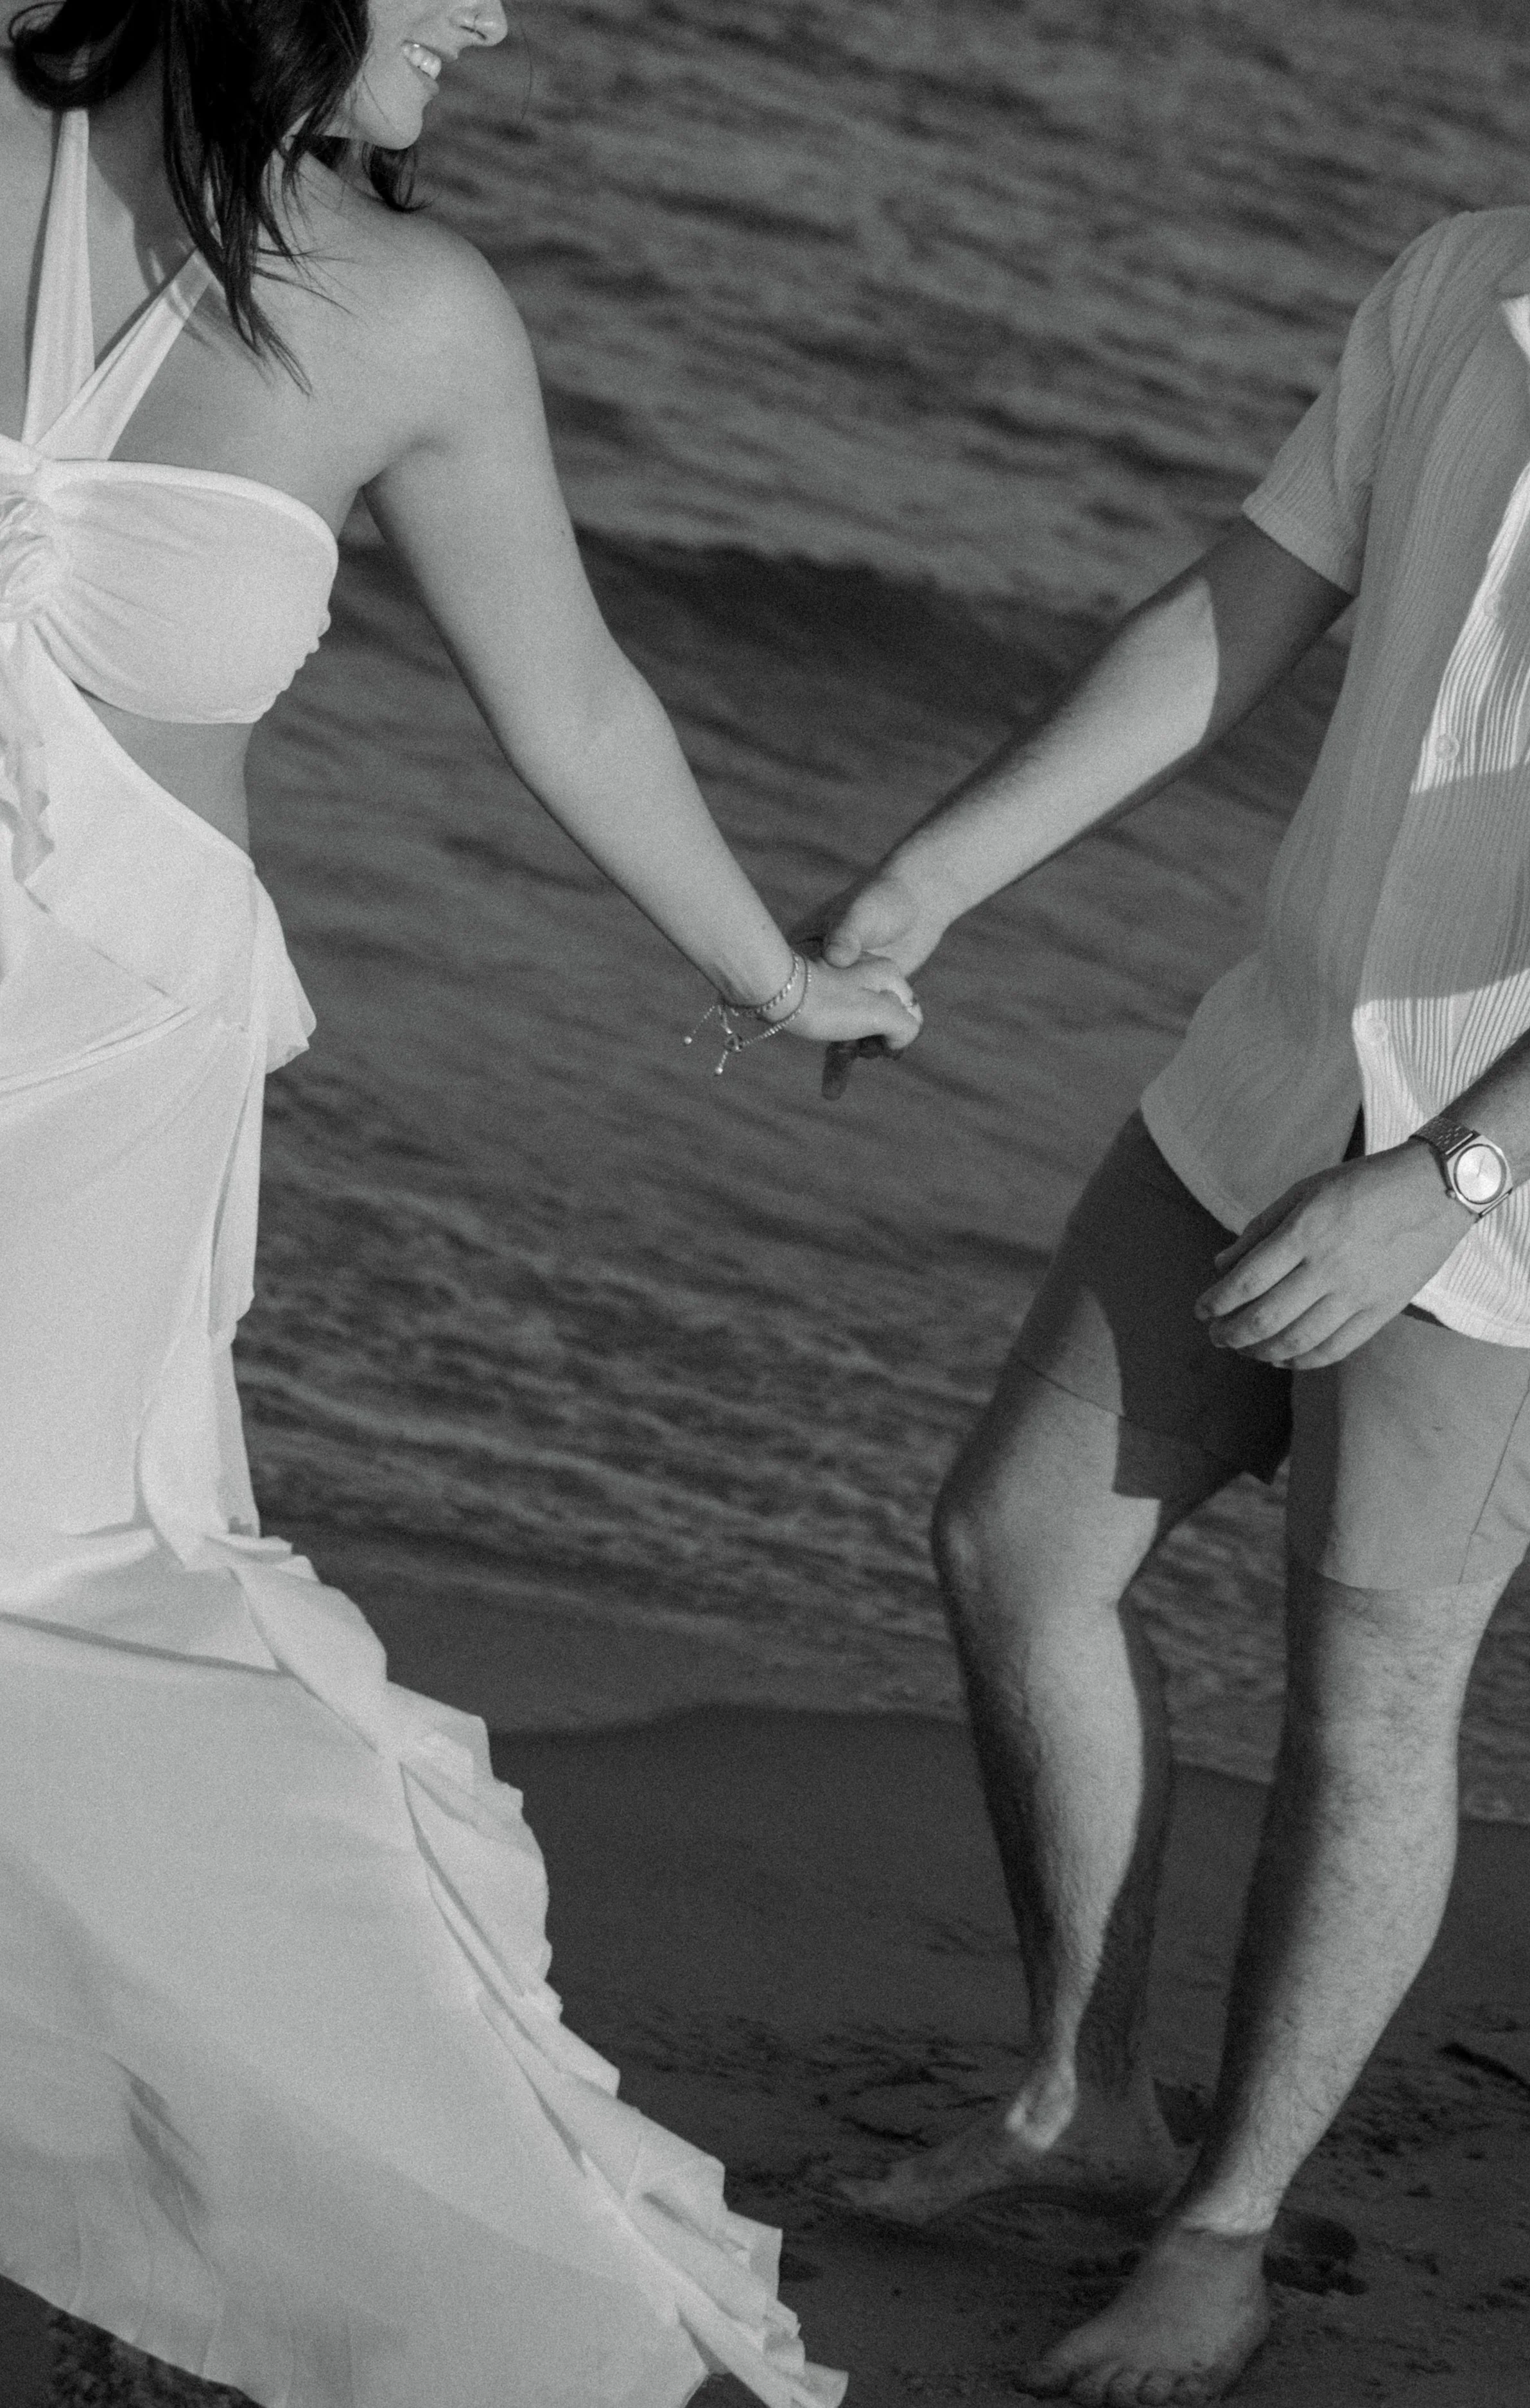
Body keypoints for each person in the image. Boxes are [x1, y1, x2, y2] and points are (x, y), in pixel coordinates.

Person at [0, 4, 923, 2403]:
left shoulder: (412, 311)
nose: (502, 14)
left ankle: (429, 2254)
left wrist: (781, 977)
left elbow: (582, 701)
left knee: (68, 1630)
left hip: (98, 1080)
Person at [809, 63, 1530, 2408]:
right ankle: (1078, 2099)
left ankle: (1224, 2236)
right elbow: (1232, 616)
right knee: (1011, 1542)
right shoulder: (1469, 281)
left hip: (1520, 1193)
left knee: (1368, 1704)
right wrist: (927, 874)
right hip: (1265, 1072)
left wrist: (1440, 1178)